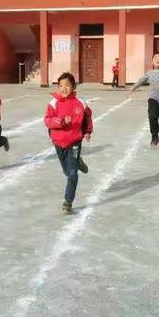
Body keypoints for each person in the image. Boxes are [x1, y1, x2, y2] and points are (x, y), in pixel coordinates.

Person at [44, 72, 93, 214]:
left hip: (74, 142)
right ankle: (78, 163)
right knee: (67, 171)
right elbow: (47, 120)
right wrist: (61, 121)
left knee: (72, 174)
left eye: (67, 85)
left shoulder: (81, 103)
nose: (63, 88)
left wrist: (88, 131)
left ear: (73, 87)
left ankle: (68, 201)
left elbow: (88, 117)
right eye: (61, 86)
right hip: (59, 142)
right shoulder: (53, 103)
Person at [128, 52, 159, 147]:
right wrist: (133, 87)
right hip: (153, 99)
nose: (157, 59)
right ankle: (154, 136)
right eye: (155, 58)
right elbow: (141, 80)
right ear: (152, 61)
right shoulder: (150, 73)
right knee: (152, 116)